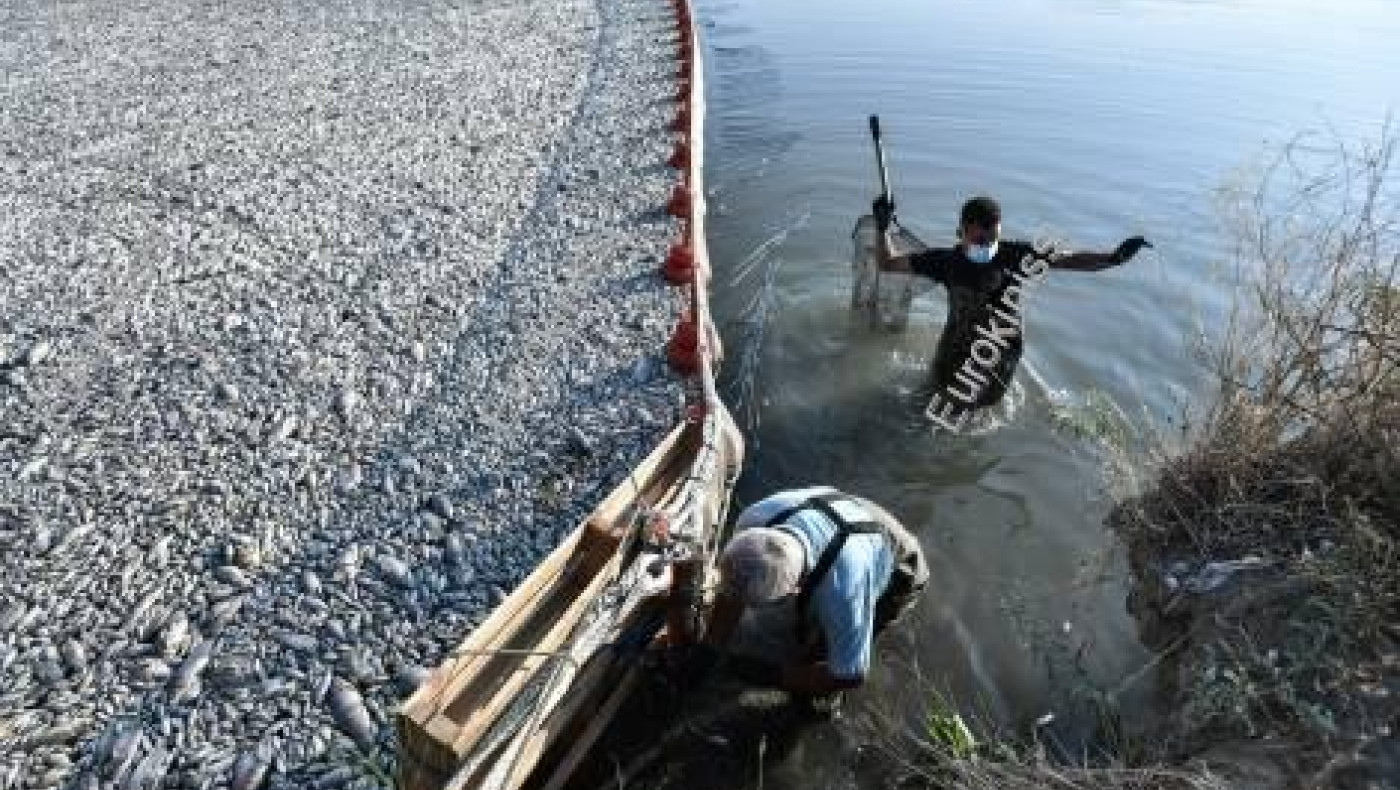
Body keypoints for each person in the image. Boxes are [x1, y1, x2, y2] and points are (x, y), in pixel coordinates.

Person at [873, 195, 1151, 423]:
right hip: (954, 354)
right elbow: (887, 262)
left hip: (1000, 356)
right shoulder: (944, 261)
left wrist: (1113, 258)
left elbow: (1070, 260)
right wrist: (882, 227)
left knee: (982, 411)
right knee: (930, 412)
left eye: (993, 239)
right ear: (962, 232)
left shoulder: (1016, 256)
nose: (988, 246)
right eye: (980, 240)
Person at [692, 486, 929, 697]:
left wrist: (771, 675)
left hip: (899, 561)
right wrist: (710, 647)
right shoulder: (754, 520)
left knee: (822, 653)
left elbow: (849, 675)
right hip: (847, 511)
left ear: (796, 590)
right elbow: (735, 585)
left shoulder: (843, 595)